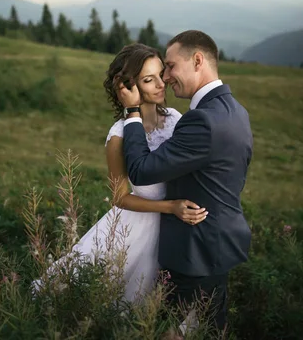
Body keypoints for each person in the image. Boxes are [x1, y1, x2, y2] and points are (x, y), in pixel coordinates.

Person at [31, 43, 207, 303]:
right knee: (112, 297)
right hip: (136, 230)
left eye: (161, 74)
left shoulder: (174, 118)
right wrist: (170, 207)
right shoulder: (119, 136)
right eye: (149, 80)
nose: (162, 84)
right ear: (127, 87)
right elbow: (120, 198)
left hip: (174, 226)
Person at [116, 30, 253, 335]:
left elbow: (139, 169)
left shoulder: (201, 120)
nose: (166, 77)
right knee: (209, 328)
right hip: (220, 244)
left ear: (198, 60)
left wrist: (132, 112)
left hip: (194, 250)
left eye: (170, 66)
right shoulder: (236, 111)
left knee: (162, 328)